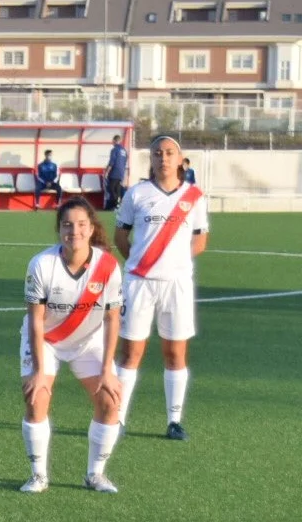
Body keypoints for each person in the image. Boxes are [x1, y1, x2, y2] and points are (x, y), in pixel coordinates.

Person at [19, 196, 124, 495]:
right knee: (36, 397)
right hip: (46, 341)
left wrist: (108, 370)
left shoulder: (107, 266)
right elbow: (35, 321)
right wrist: (40, 371)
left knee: (110, 400)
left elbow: (113, 319)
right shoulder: (41, 264)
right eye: (67, 225)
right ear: (59, 230)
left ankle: (95, 474)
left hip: (88, 341)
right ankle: (38, 475)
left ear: (91, 229)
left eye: (80, 225)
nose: (73, 231)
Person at [114, 134, 209, 441]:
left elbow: (200, 239)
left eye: (169, 153)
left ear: (180, 159)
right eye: (157, 153)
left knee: (175, 353)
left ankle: (174, 420)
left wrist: (175, 262)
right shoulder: (136, 194)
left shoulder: (194, 197)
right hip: (139, 283)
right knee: (131, 352)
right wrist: (142, 264)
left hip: (177, 286)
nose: (163, 158)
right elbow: (120, 236)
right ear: (151, 159)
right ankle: (116, 418)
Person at [103, 134, 128, 210]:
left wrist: (106, 172)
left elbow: (112, 162)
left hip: (114, 172)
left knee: (111, 188)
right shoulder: (124, 150)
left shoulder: (114, 150)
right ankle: (117, 205)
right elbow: (125, 161)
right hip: (121, 173)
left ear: (114, 141)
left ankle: (115, 204)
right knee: (117, 189)